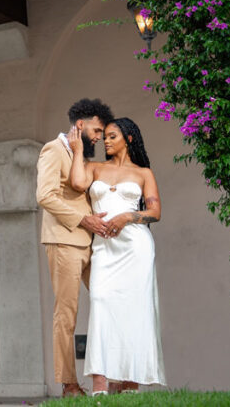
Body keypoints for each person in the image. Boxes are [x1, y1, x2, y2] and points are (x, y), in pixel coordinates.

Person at [67, 117, 166, 394]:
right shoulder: (94, 167)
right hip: (105, 248)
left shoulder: (143, 173)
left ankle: (129, 385)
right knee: (100, 302)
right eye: (105, 137)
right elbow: (77, 183)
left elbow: (155, 212)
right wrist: (77, 151)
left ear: (129, 138)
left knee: (134, 311)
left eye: (112, 136)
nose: (106, 141)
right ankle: (100, 384)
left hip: (135, 247)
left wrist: (126, 216)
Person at [36, 98, 114, 398]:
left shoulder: (80, 154)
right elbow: (46, 196)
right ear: (80, 124)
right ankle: (69, 385)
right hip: (64, 240)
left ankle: (114, 377)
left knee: (111, 301)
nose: (98, 137)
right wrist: (85, 220)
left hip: (92, 245)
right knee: (66, 314)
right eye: (96, 130)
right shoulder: (53, 149)